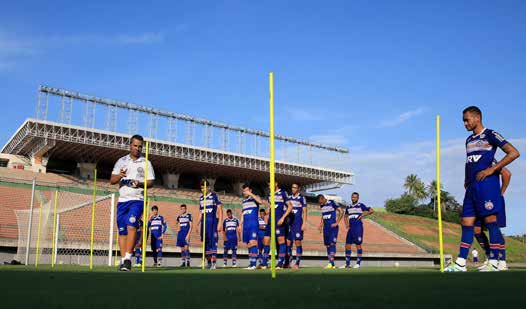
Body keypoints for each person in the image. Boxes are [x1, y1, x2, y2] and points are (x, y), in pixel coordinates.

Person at [446, 106, 519, 272]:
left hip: (487, 185)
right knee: (466, 221)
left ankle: (495, 261)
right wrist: (466, 179)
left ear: (477, 118)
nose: (464, 123)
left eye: (467, 120)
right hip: (472, 187)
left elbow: (513, 152)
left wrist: (492, 169)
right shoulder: (468, 140)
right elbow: (469, 162)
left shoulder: (491, 135)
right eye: (463, 120)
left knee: (491, 221)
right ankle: (460, 263)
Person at [110, 134, 155, 271]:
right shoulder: (121, 161)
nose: (137, 148)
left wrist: (139, 183)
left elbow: (151, 182)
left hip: (137, 200)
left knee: (132, 225)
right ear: (130, 145)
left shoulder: (146, 163)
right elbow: (112, 180)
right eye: (135, 145)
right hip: (123, 200)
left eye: (140, 146)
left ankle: (128, 258)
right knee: (122, 231)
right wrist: (120, 175)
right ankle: (124, 261)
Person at [475, 164, 511, 271]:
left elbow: (507, 174)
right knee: (476, 230)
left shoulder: (490, 160)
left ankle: (501, 260)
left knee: (494, 227)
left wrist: (501, 192)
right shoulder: (473, 162)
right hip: (477, 199)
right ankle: (489, 256)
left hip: (492, 199)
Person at [265, 181, 293, 269]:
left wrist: (283, 218)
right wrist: (268, 209)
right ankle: (264, 263)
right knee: (265, 240)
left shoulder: (283, 193)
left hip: (279, 221)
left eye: (271, 185)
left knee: (281, 241)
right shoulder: (269, 195)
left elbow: (290, 206)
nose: (269, 187)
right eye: (268, 185)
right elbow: (270, 205)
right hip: (270, 221)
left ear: (276, 183)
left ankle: (280, 263)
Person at [342, 192, 374, 269]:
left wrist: (363, 215)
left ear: (358, 198)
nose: (353, 198)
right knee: (347, 246)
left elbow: (371, 210)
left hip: (358, 228)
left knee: (358, 245)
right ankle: (347, 264)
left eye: (355, 197)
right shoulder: (348, 207)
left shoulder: (360, 205)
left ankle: (358, 264)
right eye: (352, 197)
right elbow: (345, 216)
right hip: (351, 229)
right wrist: (347, 224)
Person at [198, 179, 223, 270]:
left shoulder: (214, 196)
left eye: (204, 188)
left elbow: (220, 209)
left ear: (208, 187)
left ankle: (214, 263)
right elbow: (200, 212)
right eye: (201, 188)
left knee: (213, 243)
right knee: (206, 244)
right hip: (204, 224)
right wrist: (197, 224)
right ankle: (208, 262)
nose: (203, 190)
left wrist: (220, 222)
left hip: (212, 223)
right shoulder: (201, 198)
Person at [241, 184, 265, 270]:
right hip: (246, 225)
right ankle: (251, 263)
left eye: (247, 190)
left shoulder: (254, 197)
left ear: (250, 190)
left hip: (253, 224)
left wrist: (251, 194)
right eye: (244, 191)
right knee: (248, 244)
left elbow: (260, 202)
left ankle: (254, 264)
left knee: (253, 242)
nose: (245, 192)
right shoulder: (243, 201)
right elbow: (243, 213)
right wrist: (240, 224)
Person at [318, 194, 343, 269]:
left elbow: (341, 211)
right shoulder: (322, 206)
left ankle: (330, 263)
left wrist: (337, 222)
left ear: (323, 199)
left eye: (320, 202)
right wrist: (321, 224)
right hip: (326, 228)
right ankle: (332, 264)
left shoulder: (332, 202)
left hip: (333, 228)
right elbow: (323, 215)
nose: (320, 204)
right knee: (327, 245)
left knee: (332, 244)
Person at [287, 183, 307, 269]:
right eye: (292, 187)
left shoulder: (302, 198)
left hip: (298, 223)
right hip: (289, 223)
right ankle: (288, 261)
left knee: (297, 242)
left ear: (298, 189)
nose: (293, 189)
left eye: (295, 188)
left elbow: (305, 211)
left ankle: (297, 263)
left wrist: (304, 223)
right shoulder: (289, 198)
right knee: (288, 242)